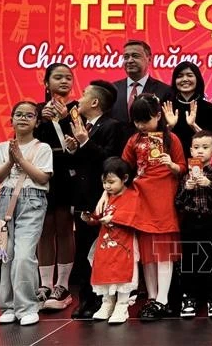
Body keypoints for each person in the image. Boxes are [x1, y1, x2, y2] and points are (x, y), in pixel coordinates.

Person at [112, 94, 186, 321]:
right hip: (142, 197)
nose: (141, 125)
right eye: (137, 121)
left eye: (146, 120)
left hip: (164, 197)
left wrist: (171, 165)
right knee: (147, 253)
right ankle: (152, 298)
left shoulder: (171, 139)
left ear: (158, 116)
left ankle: (162, 298)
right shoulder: (133, 141)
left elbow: (183, 167)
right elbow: (124, 168)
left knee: (164, 251)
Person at [0, 101, 53, 326]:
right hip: (5, 201)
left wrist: (21, 159)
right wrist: (10, 159)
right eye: (18, 114)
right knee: (7, 256)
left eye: (29, 115)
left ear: (36, 121)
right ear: (12, 119)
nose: (23, 118)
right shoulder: (1, 147)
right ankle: (8, 306)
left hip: (32, 200)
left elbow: (43, 177)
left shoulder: (41, 148)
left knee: (25, 255)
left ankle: (27, 307)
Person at [66, 80, 122, 319]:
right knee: (82, 252)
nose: (78, 99)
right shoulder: (81, 127)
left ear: (95, 102)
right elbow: (79, 165)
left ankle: (104, 300)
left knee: (103, 252)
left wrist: (85, 143)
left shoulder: (113, 126)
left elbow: (110, 162)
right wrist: (73, 149)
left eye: (84, 94)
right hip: (82, 199)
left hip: (102, 199)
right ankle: (85, 300)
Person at [34, 63, 76, 311]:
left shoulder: (76, 110)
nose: (64, 81)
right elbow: (27, 138)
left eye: (68, 78)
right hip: (41, 175)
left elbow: (80, 142)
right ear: (46, 82)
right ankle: (44, 286)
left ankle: (63, 286)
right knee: (44, 229)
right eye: (58, 77)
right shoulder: (37, 111)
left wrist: (62, 121)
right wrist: (41, 121)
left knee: (64, 227)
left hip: (67, 175)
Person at [175, 130, 212, 319]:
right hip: (189, 224)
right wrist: (187, 189)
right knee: (189, 262)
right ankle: (189, 298)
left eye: (205, 147)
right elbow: (178, 204)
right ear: (190, 149)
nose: (200, 151)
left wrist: (208, 186)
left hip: (211, 224)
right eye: (196, 147)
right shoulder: (185, 177)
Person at [86, 157, 139, 325]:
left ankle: (122, 305)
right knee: (104, 269)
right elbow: (98, 214)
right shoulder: (106, 196)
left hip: (124, 242)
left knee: (123, 272)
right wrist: (90, 218)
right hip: (105, 241)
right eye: (104, 182)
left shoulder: (132, 195)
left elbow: (133, 215)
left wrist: (114, 218)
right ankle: (107, 303)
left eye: (111, 182)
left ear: (124, 178)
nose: (107, 186)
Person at [111, 40, 173, 146]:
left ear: (149, 59)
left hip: (151, 152)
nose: (130, 60)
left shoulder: (165, 90)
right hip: (116, 154)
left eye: (135, 56)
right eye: (126, 57)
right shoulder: (112, 89)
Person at [163, 62, 212, 159]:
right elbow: (155, 140)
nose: (185, 79)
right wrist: (169, 126)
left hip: (198, 161)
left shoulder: (208, 107)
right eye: (179, 76)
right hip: (170, 161)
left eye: (189, 75)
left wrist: (193, 125)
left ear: (197, 79)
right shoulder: (167, 105)